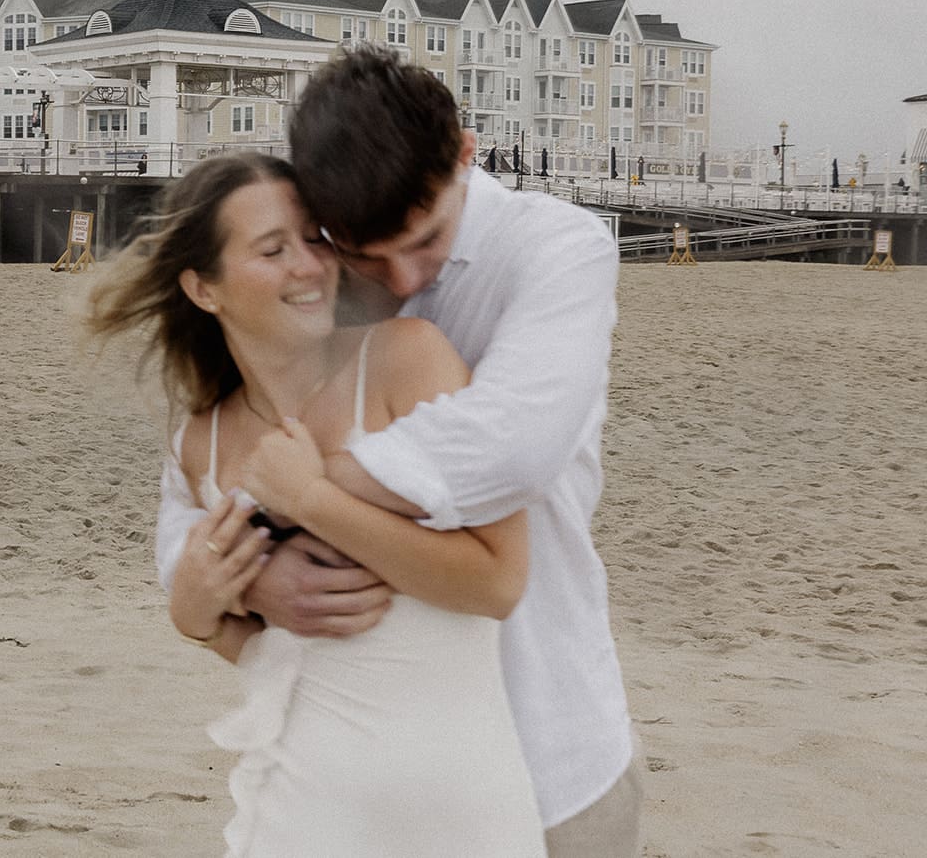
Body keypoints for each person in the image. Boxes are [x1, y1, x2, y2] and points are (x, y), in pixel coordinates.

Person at [160, 46, 641, 856]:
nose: (402, 276)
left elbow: (508, 447)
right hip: (341, 783)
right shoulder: (325, 275)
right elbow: (198, 485)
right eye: (363, 253)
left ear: (464, 150)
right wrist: (230, 579)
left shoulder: (555, 249)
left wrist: (286, 512)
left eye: (424, 242)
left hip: (552, 742)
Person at [88, 153, 545, 856]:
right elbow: (271, 648)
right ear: (203, 288)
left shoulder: (406, 362)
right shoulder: (200, 445)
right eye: (273, 249)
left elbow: (497, 582)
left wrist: (311, 499)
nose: (309, 265)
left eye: (315, 238)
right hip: (296, 813)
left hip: (460, 812)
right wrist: (197, 613)